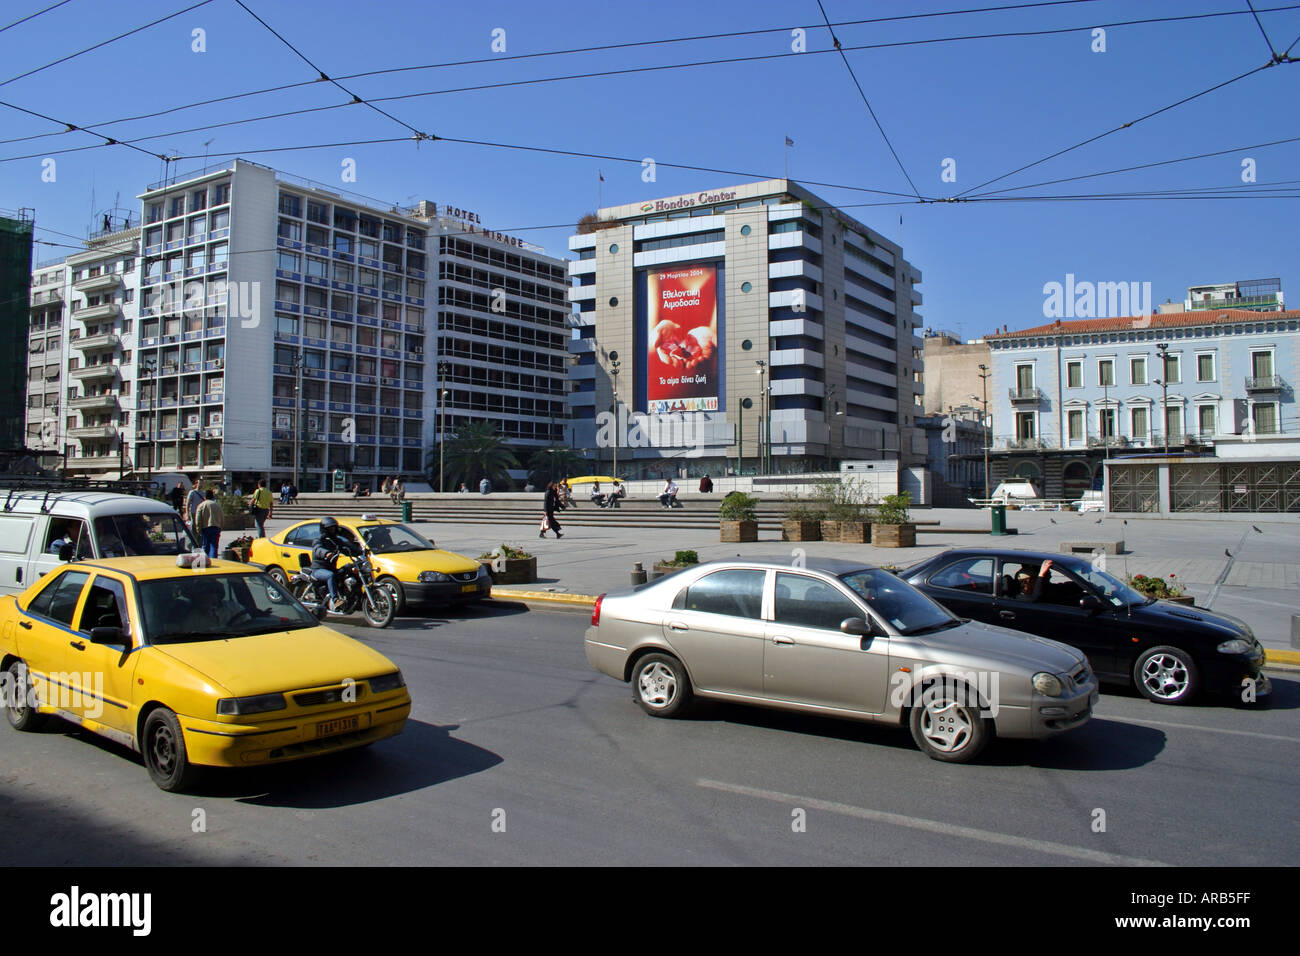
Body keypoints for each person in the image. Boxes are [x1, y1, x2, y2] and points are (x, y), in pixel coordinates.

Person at [311, 516, 349, 611]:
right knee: (330, 575)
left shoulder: (336, 540)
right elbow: (317, 549)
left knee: (348, 568)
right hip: (318, 569)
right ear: (324, 529)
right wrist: (326, 553)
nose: (332, 530)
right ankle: (335, 600)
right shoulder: (319, 540)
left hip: (331, 567)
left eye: (334, 528)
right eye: (330, 528)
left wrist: (360, 551)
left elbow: (347, 546)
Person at [194, 489, 224, 559]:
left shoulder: (201, 505)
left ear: (205, 497)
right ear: (212, 497)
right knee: (214, 546)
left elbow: (198, 519)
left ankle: (205, 561)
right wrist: (221, 527)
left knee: (205, 546)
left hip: (206, 528)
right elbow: (222, 517)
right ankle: (214, 560)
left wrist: (198, 529)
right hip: (216, 527)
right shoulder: (217, 505)